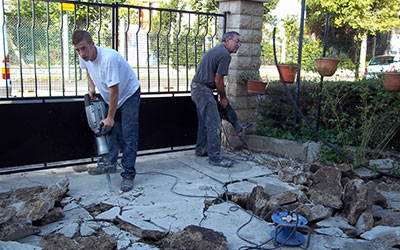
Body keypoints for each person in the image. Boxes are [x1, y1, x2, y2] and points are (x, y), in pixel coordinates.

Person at [72, 30, 140, 192]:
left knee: (129, 133)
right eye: (77, 50)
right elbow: (87, 70)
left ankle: (128, 174)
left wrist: (110, 116)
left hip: (129, 93)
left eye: (84, 48)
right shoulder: (85, 58)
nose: (81, 53)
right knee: (112, 132)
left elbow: (114, 91)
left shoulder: (108, 59)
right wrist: (92, 88)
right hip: (112, 95)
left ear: (92, 44)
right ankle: (109, 165)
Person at [191, 31, 248, 167]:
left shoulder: (218, 50)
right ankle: (215, 158)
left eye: (240, 42)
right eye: (237, 41)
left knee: (205, 121)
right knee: (214, 123)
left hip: (198, 88)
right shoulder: (224, 54)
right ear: (227, 40)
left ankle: (202, 149)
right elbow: (218, 80)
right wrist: (223, 97)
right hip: (202, 90)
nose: (238, 45)